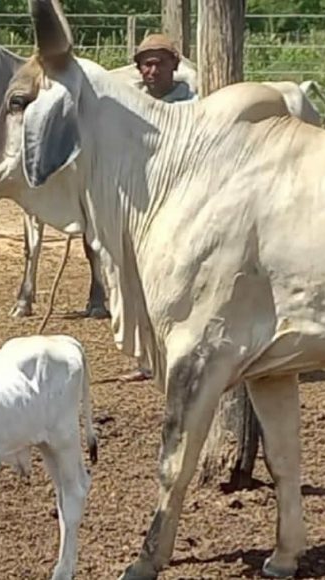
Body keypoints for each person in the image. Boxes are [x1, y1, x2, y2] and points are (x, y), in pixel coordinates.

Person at [116, 34, 196, 384]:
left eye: (159, 63)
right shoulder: (128, 107)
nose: (151, 70)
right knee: (139, 287)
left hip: (183, 210)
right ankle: (148, 359)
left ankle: (179, 356)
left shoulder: (192, 107)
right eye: (145, 64)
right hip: (140, 212)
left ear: (174, 66)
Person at [132, 33, 197, 103]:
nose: (154, 71)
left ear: (174, 65)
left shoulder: (192, 104)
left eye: (161, 64)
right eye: (148, 64)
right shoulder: (132, 103)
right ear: (139, 68)